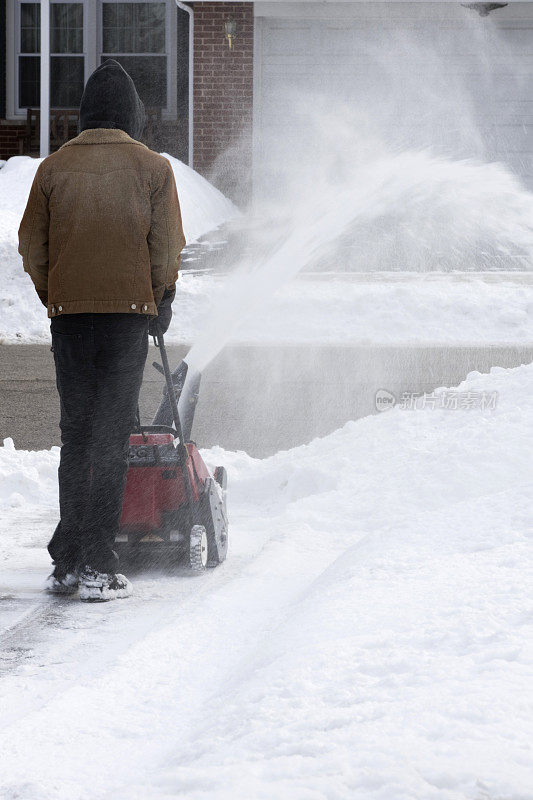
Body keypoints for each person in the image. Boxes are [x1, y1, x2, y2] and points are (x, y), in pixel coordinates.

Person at [18, 59, 186, 602]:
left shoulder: (52, 170)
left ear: (87, 112)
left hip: (71, 321)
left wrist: (56, 296)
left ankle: (66, 561)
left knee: (77, 436)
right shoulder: (153, 169)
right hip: (127, 318)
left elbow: (32, 248)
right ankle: (96, 562)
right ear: (131, 114)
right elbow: (165, 251)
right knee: (112, 439)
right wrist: (161, 301)